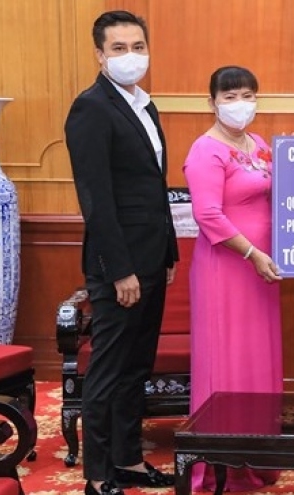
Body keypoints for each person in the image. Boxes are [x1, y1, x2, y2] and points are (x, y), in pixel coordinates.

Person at [64, 10, 178, 495]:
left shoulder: (145, 106)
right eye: (119, 48)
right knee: (108, 373)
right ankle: (97, 475)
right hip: (120, 267)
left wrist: (168, 254)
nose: (131, 56)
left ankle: (128, 461)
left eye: (138, 46)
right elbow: (97, 200)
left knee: (136, 368)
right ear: (99, 54)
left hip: (153, 258)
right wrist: (120, 270)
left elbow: (153, 189)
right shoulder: (91, 108)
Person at [183, 65, 284, 492]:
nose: (240, 104)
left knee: (257, 357)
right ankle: (218, 462)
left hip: (262, 270)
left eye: (247, 95)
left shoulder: (259, 144)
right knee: (226, 359)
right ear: (212, 103)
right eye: (230, 97)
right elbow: (208, 215)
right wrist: (252, 254)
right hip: (227, 267)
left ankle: (255, 454)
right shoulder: (205, 151)